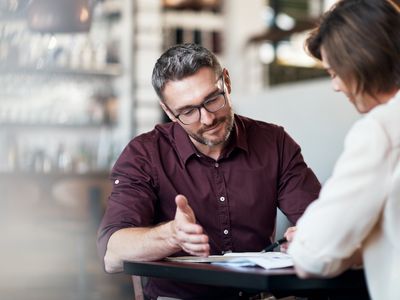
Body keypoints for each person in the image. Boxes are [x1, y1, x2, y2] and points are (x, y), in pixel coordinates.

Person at [97, 43, 321, 300]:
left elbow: (321, 223)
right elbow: (112, 255)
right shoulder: (144, 154)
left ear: (226, 81)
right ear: (169, 111)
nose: (207, 119)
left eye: (213, 99)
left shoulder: (275, 142)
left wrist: (309, 237)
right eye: (188, 111)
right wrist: (172, 236)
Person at [284, 1, 400, 300]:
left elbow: (312, 257)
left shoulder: (380, 130)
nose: (335, 86)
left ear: (360, 63)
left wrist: (311, 239)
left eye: (334, 72)